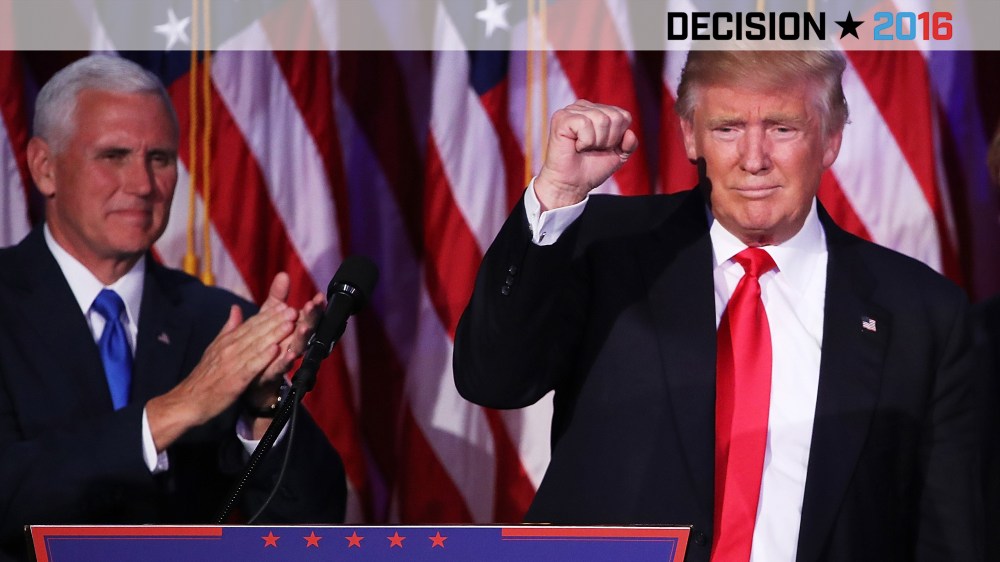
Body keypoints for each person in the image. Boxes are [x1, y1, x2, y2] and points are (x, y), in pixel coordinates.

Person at [454, 50, 984, 562]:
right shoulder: (606, 248)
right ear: (691, 135)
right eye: (728, 128)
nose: (753, 160)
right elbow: (493, 380)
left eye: (782, 128)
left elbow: (949, 533)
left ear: (830, 140)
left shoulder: (923, 312)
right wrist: (559, 192)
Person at [0, 55, 346, 561]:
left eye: (159, 158)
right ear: (44, 167)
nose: (143, 184)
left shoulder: (221, 323)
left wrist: (265, 405)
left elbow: (311, 526)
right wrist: (176, 409)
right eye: (114, 155)